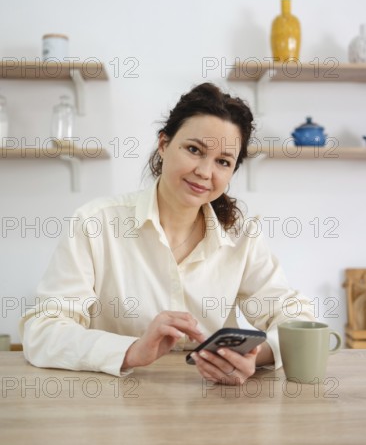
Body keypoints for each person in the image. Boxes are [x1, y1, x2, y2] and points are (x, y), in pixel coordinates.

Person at [20, 82, 314, 384]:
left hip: (215, 408)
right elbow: (43, 331)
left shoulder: (242, 238)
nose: (204, 171)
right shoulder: (95, 224)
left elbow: (299, 320)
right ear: (163, 145)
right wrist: (132, 350)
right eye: (194, 150)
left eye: (223, 162)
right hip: (115, 407)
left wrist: (255, 354)